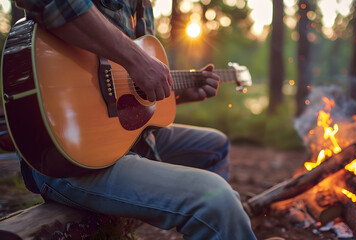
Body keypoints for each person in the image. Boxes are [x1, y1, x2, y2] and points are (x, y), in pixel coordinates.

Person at [13, 0, 258, 239]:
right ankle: (222, 222)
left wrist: (178, 93)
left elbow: (123, 91)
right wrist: (137, 60)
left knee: (214, 145)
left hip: (128, 139)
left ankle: (219, 229)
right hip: (69, 157)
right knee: (217, 199)